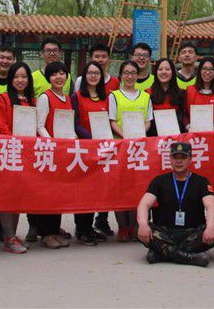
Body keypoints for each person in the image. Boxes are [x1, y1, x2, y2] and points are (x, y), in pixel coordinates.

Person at [136, 142, 214, 266]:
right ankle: (188, 257)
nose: (179, 161)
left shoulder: (201, 182)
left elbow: (211, 206)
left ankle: (163, 252)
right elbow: (144, 204)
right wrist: (143, 224)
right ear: (170, 159)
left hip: (192, 233)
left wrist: (210, 227)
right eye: (175, 157)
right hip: (165, 233)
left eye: (183, 157)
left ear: (190, 159)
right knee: (139, 228)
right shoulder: (159, 181)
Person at [0, 61, 38, 254]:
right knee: (8, 196)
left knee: (19, 196)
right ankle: (8, 236)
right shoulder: (4, 98)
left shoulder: (32, 101)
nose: (20, 80)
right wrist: (15, 142)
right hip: (10, 151)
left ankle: (12, 236)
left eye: (24, 76)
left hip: (27, 154)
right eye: (16, 77)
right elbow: (2, 125)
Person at [110, 60, 154, 241]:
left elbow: (148, 120)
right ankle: (122, 227)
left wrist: (139, 133)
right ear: (121, 75)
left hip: (140, 148)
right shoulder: (114, 96)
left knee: (139, 187)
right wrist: (126, 135)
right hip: (121, 146)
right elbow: (112, 120)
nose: (129, 76)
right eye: (126, 73)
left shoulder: (145, 96)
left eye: (133, 73)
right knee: (121, 188)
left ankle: (136, 226)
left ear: (138, 75)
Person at [34, 61, 74, 250]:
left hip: (64, 152)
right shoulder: (45, 97)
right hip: (50, 152)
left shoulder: (67, 98)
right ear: (48, 78)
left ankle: (55, 230)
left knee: (59, 193)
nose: (59, 77)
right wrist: (52, 143)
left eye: (62, 73)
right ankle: (46, 234)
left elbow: (69, 125)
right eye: (54, 74)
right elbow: (40, 126)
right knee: (47, 194)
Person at [72, 61, 110, 244]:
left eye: (97, 73)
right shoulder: (77, 97)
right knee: (83, 191)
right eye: (90, 73)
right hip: (85, 148)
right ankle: (81, 229)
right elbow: (76, 123)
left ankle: (90, 228)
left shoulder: (106, 97)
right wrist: (91, 138)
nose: (93, 76)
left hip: (102, 150)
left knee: (97, 190)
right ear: (84, 76)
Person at [184, 57, 214, 131]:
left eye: (211, 69)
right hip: (193, 133)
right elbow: (184, 113)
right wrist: (188, 126)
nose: (207, 72)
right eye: (204, 69)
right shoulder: (189, 90)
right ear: (199, 71)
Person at [148, 58, 185, 133]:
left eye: (167, 69)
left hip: (175, 135)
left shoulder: (181, 93)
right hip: (154, 136)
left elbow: (183, 117)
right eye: (160, 69)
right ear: (155, 72)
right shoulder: (147, 93)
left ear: (173, 72)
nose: (164, 72)